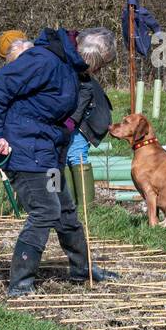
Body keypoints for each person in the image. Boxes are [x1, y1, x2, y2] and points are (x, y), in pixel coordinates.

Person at [0, 27, 119, 296]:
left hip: (46, 150)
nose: (99, 72)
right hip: (24, 148)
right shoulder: (43, 61)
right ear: (92, 58)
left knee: (64, 209)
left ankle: (83, 269)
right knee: (45, 211)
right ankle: (20, 284)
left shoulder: (66, 65)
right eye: (101, 66)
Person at [65, 30, 115, 217]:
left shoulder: (83, 78)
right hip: (75, 117)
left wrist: (69, 123)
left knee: (76, 154)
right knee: (62, 157)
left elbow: (79, 105)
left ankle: (86, 209)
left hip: (86, 120)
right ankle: (67, 206)